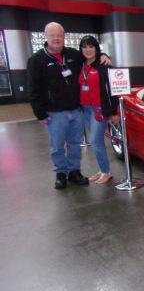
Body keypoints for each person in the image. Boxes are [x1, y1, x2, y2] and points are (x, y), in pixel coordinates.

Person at [28, 22, 111, 189]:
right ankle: (60, 173)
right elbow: (33, 88)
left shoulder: (73, 54)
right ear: (46, 37)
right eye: (52, 35)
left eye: (59, 35)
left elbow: (91, 54)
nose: (56, 39)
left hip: (77, 110)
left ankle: (74, 171)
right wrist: (40, 113)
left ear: (64, 37)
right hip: (54, 112)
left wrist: (105, 56)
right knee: (57, 145)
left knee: (75, 143)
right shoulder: (37, 60)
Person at [79, 35, 120, 184]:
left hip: (100, 109)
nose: (88, 49)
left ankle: (106, 171)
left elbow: (113, 89)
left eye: (91, 46)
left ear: (96, 48)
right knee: (98, 141)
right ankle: (103, 169)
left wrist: (115, 111)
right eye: (85, 46)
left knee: (94, 141)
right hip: (85, 108)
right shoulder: (81, 64)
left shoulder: (104, 64)